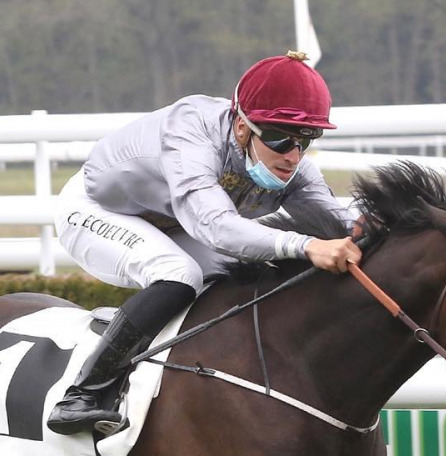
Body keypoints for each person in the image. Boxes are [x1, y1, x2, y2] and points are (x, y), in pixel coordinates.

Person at [48, 50, 363, 436]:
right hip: (99, 210)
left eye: (306, 139)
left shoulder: (294, 168)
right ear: (243, 127)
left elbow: (341, 219)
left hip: (176, 222)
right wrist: (305, 245)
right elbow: (216, 227)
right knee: (179, 273)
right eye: (281, 139)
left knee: (231, 280)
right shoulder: (191, 136)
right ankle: (82, 394)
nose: (293, 156)